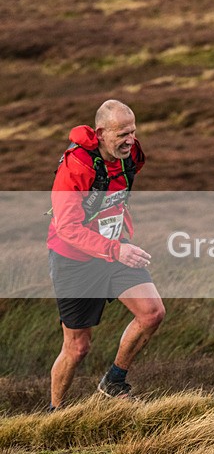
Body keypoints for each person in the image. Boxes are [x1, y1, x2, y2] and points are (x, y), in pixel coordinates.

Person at [47, 99, 165, 409]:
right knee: (77, 347)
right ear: (100, 133)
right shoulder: (76, 166)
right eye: (122, 134)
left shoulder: (131, 154)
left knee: (152, 313)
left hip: (117, 250)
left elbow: (128, 175)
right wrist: (115, 249)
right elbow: (67, 229)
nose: (130, 140)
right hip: (75, 259)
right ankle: (55, 412)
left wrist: (118, 244)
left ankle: (113, 381)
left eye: (133, 132)